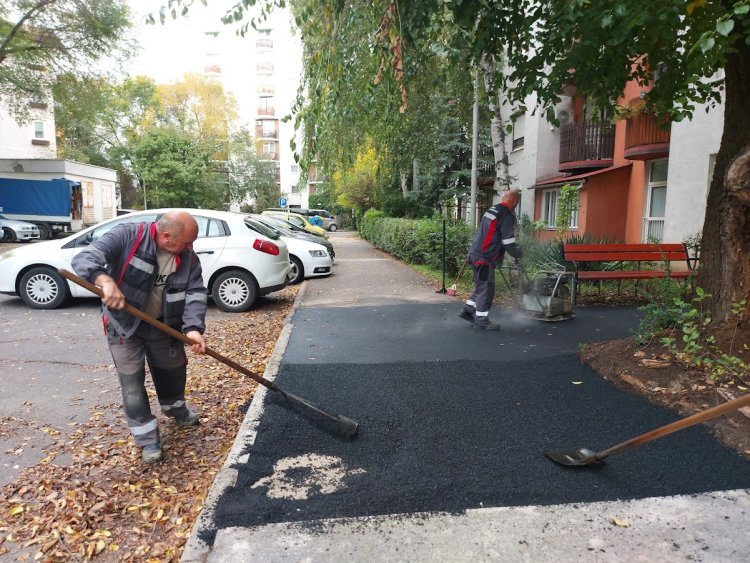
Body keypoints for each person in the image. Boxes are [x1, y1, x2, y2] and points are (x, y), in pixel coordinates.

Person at [72, 211, 209, 464]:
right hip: (123, 326)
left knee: (173, 370)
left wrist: (192, 328)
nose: (191, 248)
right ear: (166, 236)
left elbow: (196, 292)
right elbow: (84, 258)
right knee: (132, 384)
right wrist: (104, 281)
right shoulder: (127, 237)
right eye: (187, 242)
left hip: (163, 325)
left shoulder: (188, 258)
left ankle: (175, 408)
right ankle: (147, 438)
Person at [459, 189, 523, 330]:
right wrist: (519, 253)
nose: (517, 203)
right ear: (515, 201)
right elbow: (508, 243)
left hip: (475, 253)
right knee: (486, 288)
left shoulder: (493, 210)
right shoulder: (506, 214)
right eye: (517, 200)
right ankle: (482, 319)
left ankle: (467, 310)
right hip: (485, 258)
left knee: (481, 285)